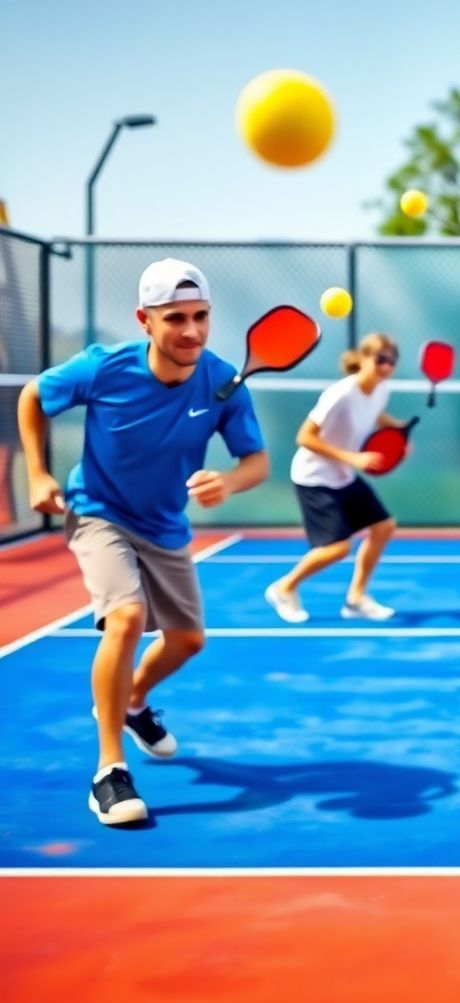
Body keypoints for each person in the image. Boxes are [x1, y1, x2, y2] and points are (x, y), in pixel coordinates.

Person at [17, 258, 268, 826]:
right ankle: (110, 771)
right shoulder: (104, 369)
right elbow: (33, 395)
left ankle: (132, 702)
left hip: (166, 527)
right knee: (126, 619)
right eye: (176, 318)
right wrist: (37, 473)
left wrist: (227, 481)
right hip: (99, 512)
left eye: (201, 316)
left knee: (187, 642)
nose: (192, 331)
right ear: (145, 322)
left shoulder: (224, 381)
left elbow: (257, 461)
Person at [264, 331, 401, 623]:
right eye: (380, 358)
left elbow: (375, 413)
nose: (387, 366)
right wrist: (353, 457)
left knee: (383, 527)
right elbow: (304, 436)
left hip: (342, 474)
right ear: (364, 358)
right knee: (338, 548)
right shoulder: (340, 394)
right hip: (314, 477)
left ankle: (356, 599)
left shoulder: (381, 389)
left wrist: (397, 430)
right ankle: (283, 588)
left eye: (392, 359)